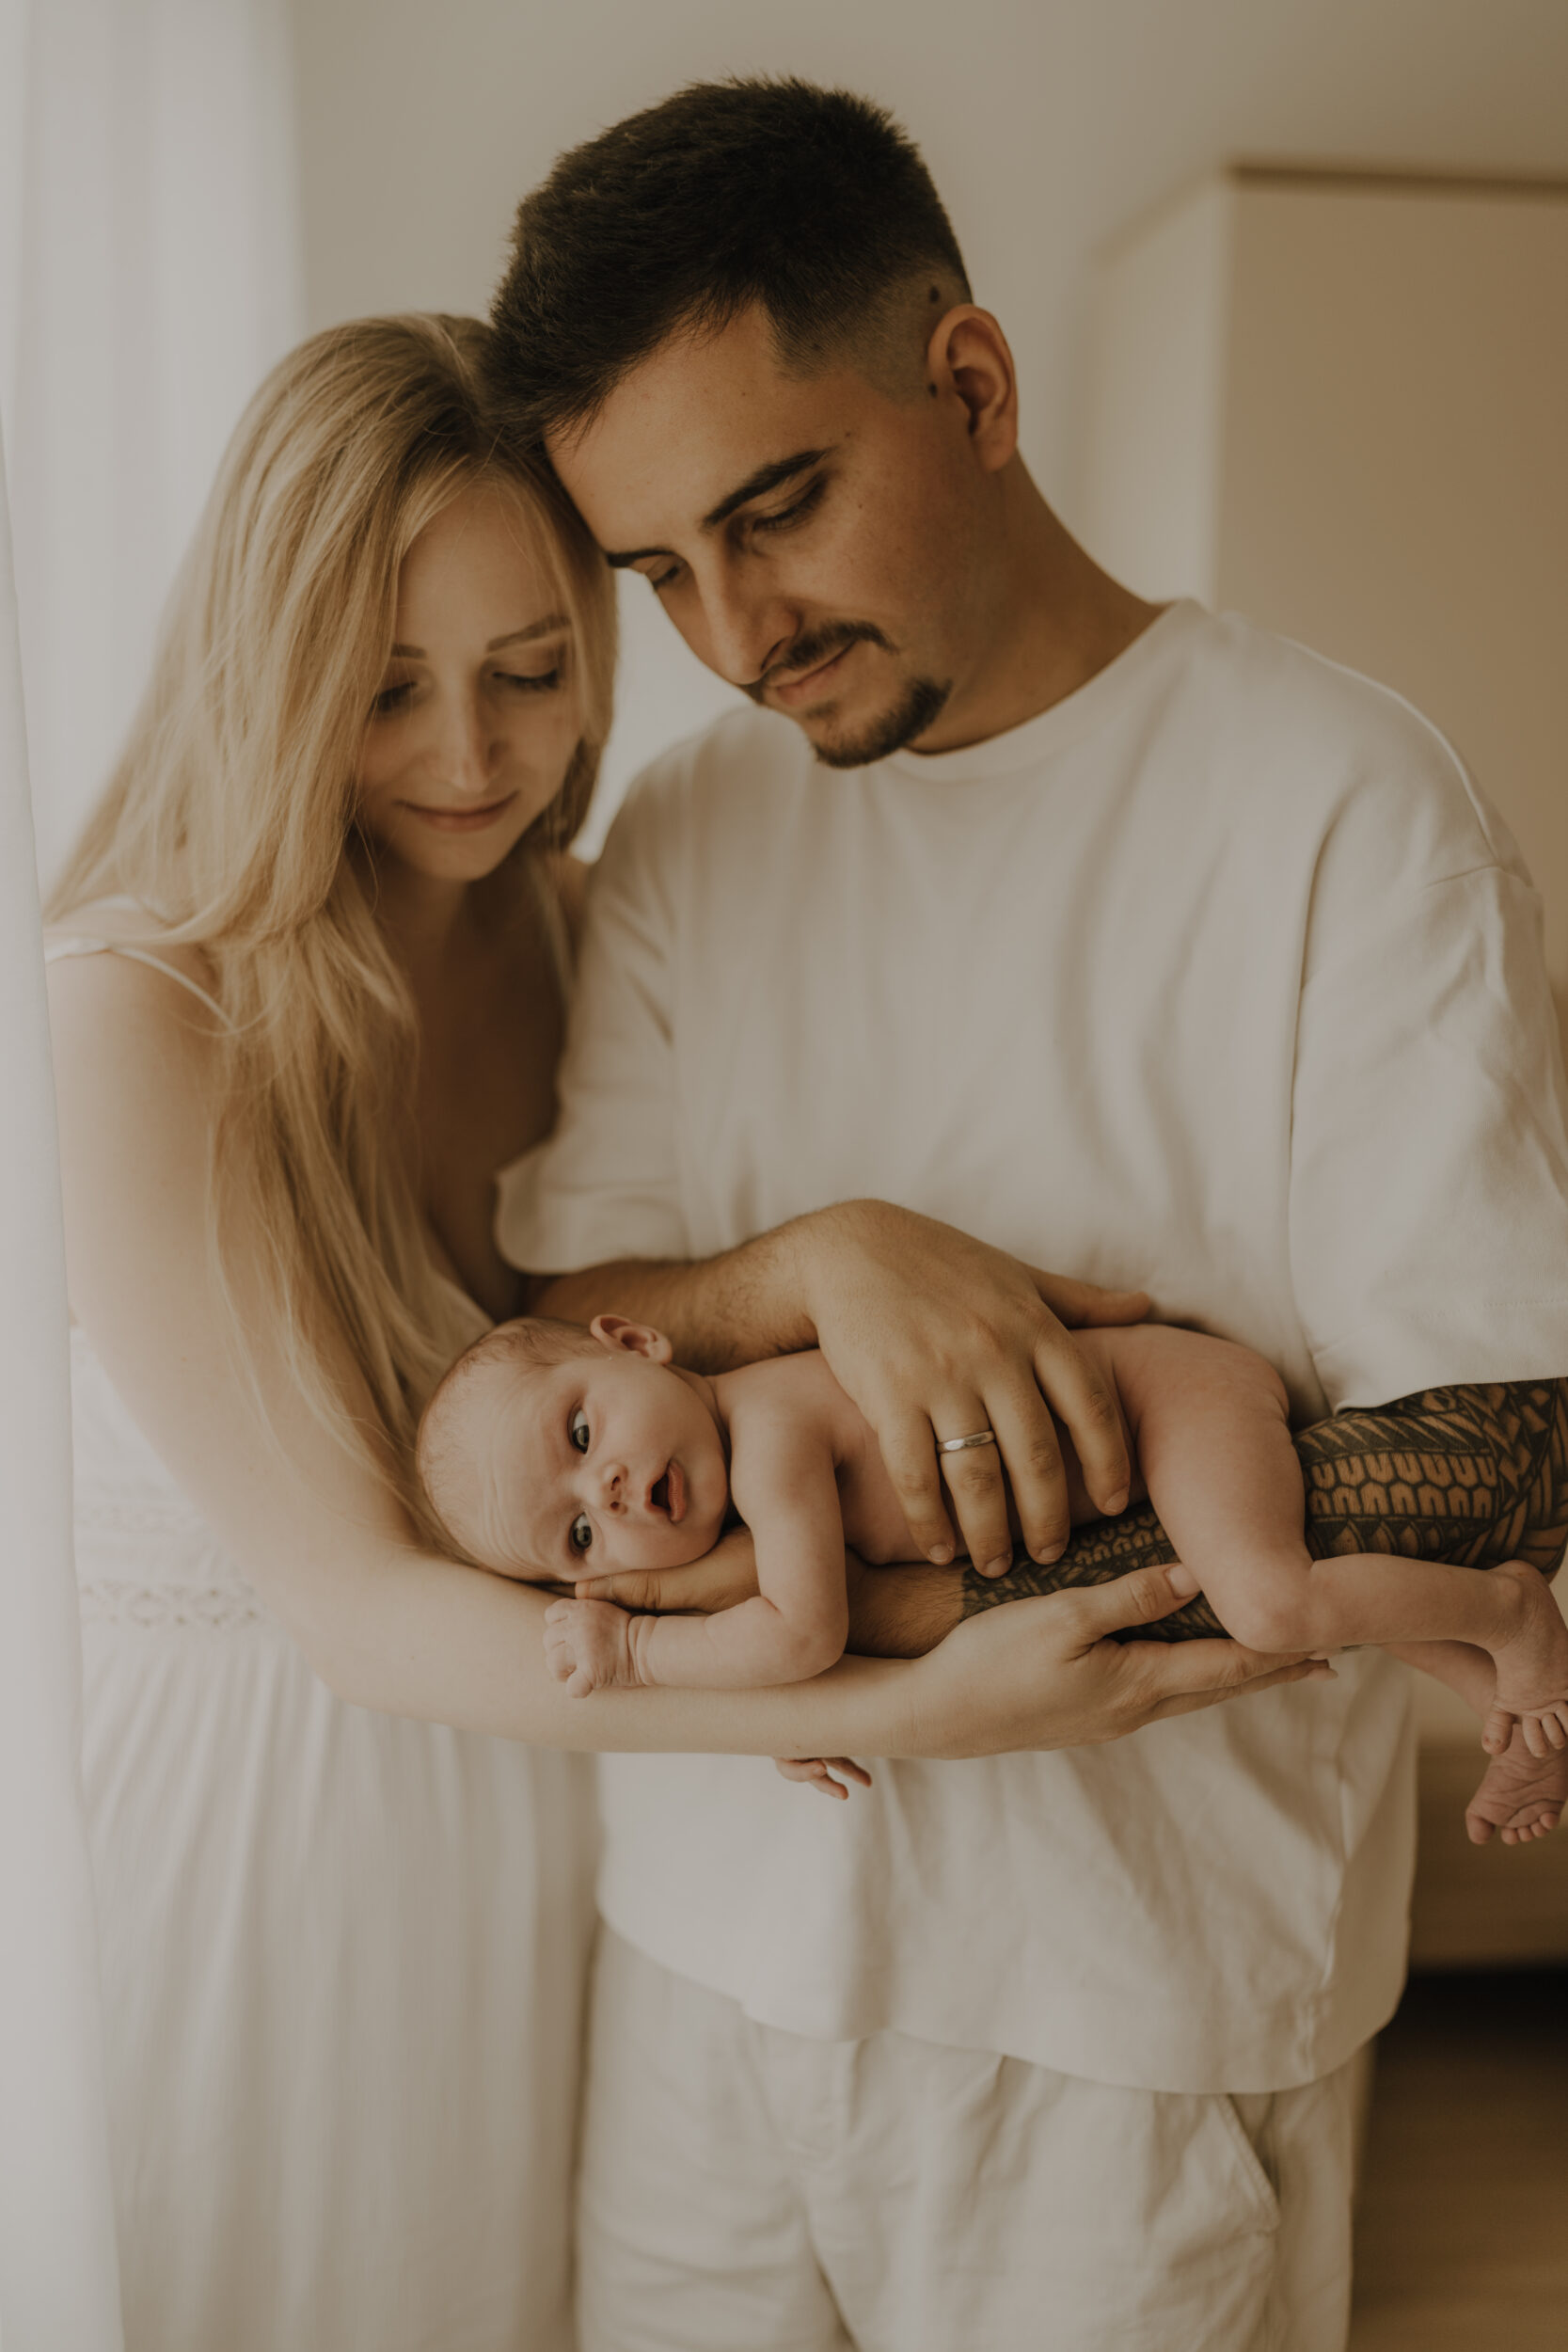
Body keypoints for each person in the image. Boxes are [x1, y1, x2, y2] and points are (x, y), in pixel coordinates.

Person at [45, 310, 1318, 2352]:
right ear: (267, 676)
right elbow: (359, 1609)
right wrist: (904, 1711)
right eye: (384, 691)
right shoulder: (141, 1003)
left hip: (548, 1795)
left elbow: (624, 1338)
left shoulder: (572, 930)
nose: (470, 758)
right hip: (269, 1824)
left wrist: (823, 1272)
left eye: (530, 674)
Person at [484, 78, 1568, 2352]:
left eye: (774, 509)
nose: (734, 629)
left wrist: (876, 1594)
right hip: (701, 1952)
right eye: (660, 572)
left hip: (1130, 2015)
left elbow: (1492, 1447)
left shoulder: (1345, 810)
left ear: (969, 382)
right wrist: (810, 1271)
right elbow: (572, 1325)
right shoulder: (691, 832)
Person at [417, 1309, 1568, 1828]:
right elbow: (796, 1626)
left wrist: (639, 1648)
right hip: (1142, 1494)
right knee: (1268, 1581)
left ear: (633, 1342)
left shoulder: (767, 1432)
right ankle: (1496, 1700)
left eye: (578, 1436)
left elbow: (805, 1632)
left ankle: (1510, 1613)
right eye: (577, 1536)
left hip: (1163, 1405)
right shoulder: (745, 1505)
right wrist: (771, 1695)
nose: (605, 1491)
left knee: (1269, 1596)